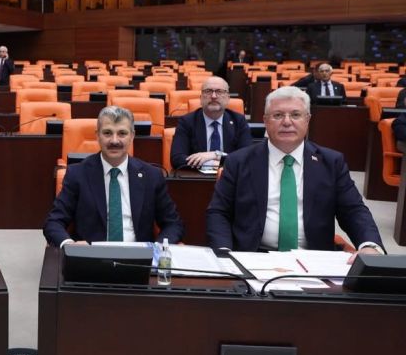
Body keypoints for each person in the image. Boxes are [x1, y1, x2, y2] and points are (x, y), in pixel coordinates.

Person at [206, 86, 385, 255]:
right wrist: (224, 252)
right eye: (278, 115)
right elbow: (219, 212)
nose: (287, 122)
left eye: (295, 115)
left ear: (307, 120)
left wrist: (369, 245)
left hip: (313, 258)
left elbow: (353, 210)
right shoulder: (238, 161)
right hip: (253, 255)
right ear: (265, 120)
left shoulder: (331, 162)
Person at [43, 106, 184, 246]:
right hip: (92, 256)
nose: (114, 141)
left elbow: (173, 224)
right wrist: (69, 245)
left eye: (122, 133)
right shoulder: (77, 174)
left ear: (132, 136)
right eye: (107, 133)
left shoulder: (152, 176)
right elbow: (54, 222)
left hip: (139, 256)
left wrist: (158, 248)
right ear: (97, 135)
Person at [170, 76, 253, 170]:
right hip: (197, 177)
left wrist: (216, 155)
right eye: (208, 91)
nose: (213, 96)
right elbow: (177, 159)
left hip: (230, 177)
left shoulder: (239, 121)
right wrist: (214, 163)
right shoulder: (187, 122)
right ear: (201, 98)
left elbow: (247, 157)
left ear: (228, 98)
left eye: (219, 91)